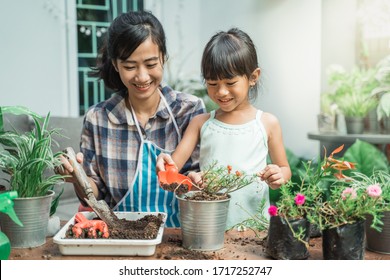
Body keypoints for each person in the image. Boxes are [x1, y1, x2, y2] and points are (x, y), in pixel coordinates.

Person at [57, 10, 206, 227]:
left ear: (164, 57)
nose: (142, 76)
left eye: (151, 64)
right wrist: (76, 177)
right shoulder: (98, 119)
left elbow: (204, 176)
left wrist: (198, 180)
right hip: (122, 235)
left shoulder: (190, 111)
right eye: (129, 66)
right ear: (116, 65)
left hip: (181, 236)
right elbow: (94, 194)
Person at [156, 28, 291, 229]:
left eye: (230, 82)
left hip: (255, 229)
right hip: (209, 228)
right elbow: (172, 170)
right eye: (212, 83)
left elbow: (285, 169)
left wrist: (278, 176)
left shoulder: (267, 123)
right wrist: (167, 166)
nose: (221, 91)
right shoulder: (201, 123)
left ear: (253, 77)